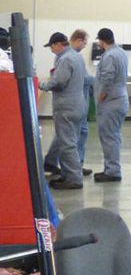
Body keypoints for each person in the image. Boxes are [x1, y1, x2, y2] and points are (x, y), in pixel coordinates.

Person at [39, 32, 86, 190]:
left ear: (59, 44)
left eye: (52, 47)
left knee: (67, 144)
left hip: (66, 107)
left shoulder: (66, 59)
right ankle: (67, 175)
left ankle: (74, 179)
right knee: (70, 141)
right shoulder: (77, 56)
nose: (52, 50)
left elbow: (59, 82)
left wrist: (41, 85)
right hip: (78, 104)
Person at [95, 28, 128, 182]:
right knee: (113, 136)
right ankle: (111, 168)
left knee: (109, 137)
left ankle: (112, 171)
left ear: (101, 41)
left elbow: (107, 79)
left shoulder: (109, 56)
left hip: (111, 101)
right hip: (121, 98)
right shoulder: (121, 52)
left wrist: (101, 97)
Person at [69, 29, 94, 177]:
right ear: (78, 40)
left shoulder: (76, 57)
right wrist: (95, 80)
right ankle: (72, 167)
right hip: (74, 104)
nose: (84, 46)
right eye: (84, 43)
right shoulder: (70, 57)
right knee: (73, 137)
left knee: (82, 133)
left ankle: (78, 164)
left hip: (81, 103)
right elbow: (82, 79)